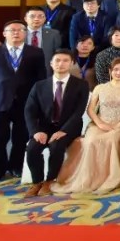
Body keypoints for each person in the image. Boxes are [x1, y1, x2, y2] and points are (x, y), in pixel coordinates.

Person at [53, 56, 120, 194]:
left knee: (111, 140)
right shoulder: (100, 88)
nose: (119, 73)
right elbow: (90, 109)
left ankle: (109, 178)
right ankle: (90, 179)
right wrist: (100, 123)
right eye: (116, 69)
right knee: (91, 141)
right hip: (99, 123)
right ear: (110, 71)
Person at [0, 20, 49, 182]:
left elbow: (41, 79)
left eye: (20, 30)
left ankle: (16, 166)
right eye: (12, 30)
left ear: (25, 33)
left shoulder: (35, 52)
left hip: (26, 102)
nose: (16, 33)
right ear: (4, 34)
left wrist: (39, 101)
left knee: (21, 137)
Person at [23, 49, 89, 196]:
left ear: (71, 63)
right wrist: (35, 131)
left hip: (68, 128)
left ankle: (50, 181)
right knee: (32, 149)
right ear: (51, 63)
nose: (61, 64)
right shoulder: (39, 86)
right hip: (44, 128)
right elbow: (29, 111)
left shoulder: (81, 85)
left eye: (65, 61)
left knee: (56, 146)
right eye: (57, 60)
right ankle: (37, 182)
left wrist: (63, 131)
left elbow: (78, 112)